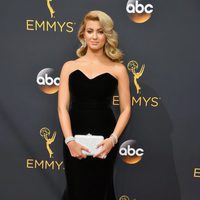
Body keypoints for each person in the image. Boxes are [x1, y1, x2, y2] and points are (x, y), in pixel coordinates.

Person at [58, 10, 131, 200]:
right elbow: (62, 108)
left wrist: (112, 140)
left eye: (100, 31)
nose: (95, 36)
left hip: (104, 138)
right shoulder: (69, 67)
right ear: (83, 34)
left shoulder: (118, 69)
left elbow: (126, 109)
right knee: (76, 190)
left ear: (107, 36)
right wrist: (69, 141)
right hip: (73, 136)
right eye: (90, 31)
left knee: (101, 190)